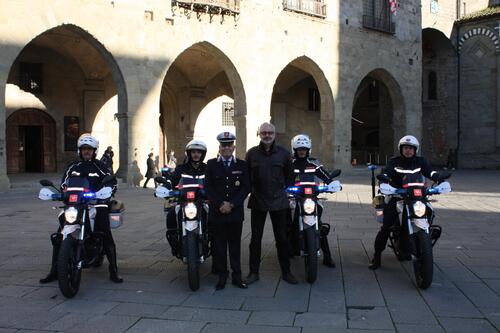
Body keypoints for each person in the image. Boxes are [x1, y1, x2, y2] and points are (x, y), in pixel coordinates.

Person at [40, 133, 123, 284]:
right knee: (60, 233)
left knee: (104, 230)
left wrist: (106, 191)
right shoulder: (72, 166)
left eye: (89, 149)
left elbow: (112, 182)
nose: (87, 151)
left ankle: (114, 270)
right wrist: (62, 193)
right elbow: (64, 184)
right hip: (76, 203)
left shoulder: (101, 166)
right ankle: (54, 270)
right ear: (79, 150)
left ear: (94, 150)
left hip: (97, 202)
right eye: (84, 148)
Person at [368, 135, 443, 270]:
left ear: (415, 150)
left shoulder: (421, 161)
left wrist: (439, 178)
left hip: (417, 197)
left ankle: (425, 237)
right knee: (386, 226)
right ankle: (377, 256)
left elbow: (430, 172)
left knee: (430, 212)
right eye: (405, 148)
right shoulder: (394, 161)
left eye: (410, 148)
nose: (408, 151)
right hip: (398, 196)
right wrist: (384, 179)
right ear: (401, 149)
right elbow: (387, 173)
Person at [245, 122, 298, 285]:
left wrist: (284, 194)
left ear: (274, 135)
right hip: (258, 201)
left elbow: (290, 178)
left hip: (278, 202)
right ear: (259, 134)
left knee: (282, 239)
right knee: (255, 239)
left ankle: (286, 272)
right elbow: (247, 177)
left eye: (270, 133)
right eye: (264, 133)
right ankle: (253, 272)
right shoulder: (251, 154)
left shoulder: (284, 154)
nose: (267, 135)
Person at [205, 132, 250, 290]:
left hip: (235, 213)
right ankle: (222, 276)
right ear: (219, 147)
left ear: (234, 147)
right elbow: (208, 187)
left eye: (229, 145)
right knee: (219, 246)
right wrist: (220, 204)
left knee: (235, 246)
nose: (226, 148)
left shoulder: (242, 165)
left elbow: (246, 188)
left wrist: (231, 204)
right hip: (217, 213)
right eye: (223, 145)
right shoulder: (211, 164)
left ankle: (237, 277)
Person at [289, 134, 336, 268]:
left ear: (308, 149)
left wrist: (332, 183)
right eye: (299, 149)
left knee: (319, 225)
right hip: (295, 197)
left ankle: (327, 257)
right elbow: (282, 178)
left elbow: (324, 175)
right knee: (287, 221)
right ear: (294, 150)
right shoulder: (290, 164)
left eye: (304, 149)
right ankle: (289, 248)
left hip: (312, 197)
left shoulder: (314, 163)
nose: (302, 151)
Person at [165, 140, 208, 257]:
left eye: (199, 152)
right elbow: (172, 180)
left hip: (201, 201)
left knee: (213, 219)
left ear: (203, 154)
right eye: (193, 152)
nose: (196, 154)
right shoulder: (181, 168)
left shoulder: (207, 168)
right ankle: (175, 244)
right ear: (189, 153)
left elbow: (213, 183)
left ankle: (210, 241)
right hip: (183, 200)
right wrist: (166, 186)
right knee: (170, 215)